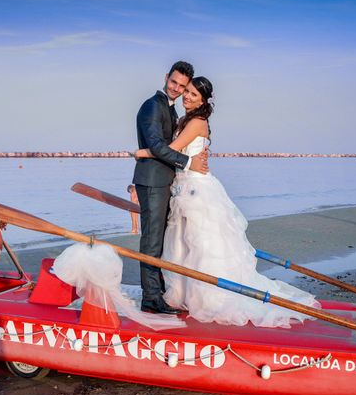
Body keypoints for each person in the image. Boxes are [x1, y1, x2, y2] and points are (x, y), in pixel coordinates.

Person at [134, 76, 319, 327]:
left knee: (203, 245)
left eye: (193, 95)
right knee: (183, 244)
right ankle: (183, 295)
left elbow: (172, 148)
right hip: (183, 187)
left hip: (197, 189)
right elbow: (172, 149)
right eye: (186, 91)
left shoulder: (197, 122)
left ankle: (212, 298)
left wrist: (141, 152)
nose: (186, 96)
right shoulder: (185, 119)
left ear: (203, 101)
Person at [132, 61, 209, 315]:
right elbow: (156, 145)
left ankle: (159, 291)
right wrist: (189, 163)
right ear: (166, 77)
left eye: (182, 85)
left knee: (160, 241)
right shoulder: (153, 106)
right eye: (173, 82)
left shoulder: (172, 109)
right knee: (152, 241)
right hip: (153, 182)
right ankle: (151, 298)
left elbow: (166, 146)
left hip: (165, 182)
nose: (177, 88)